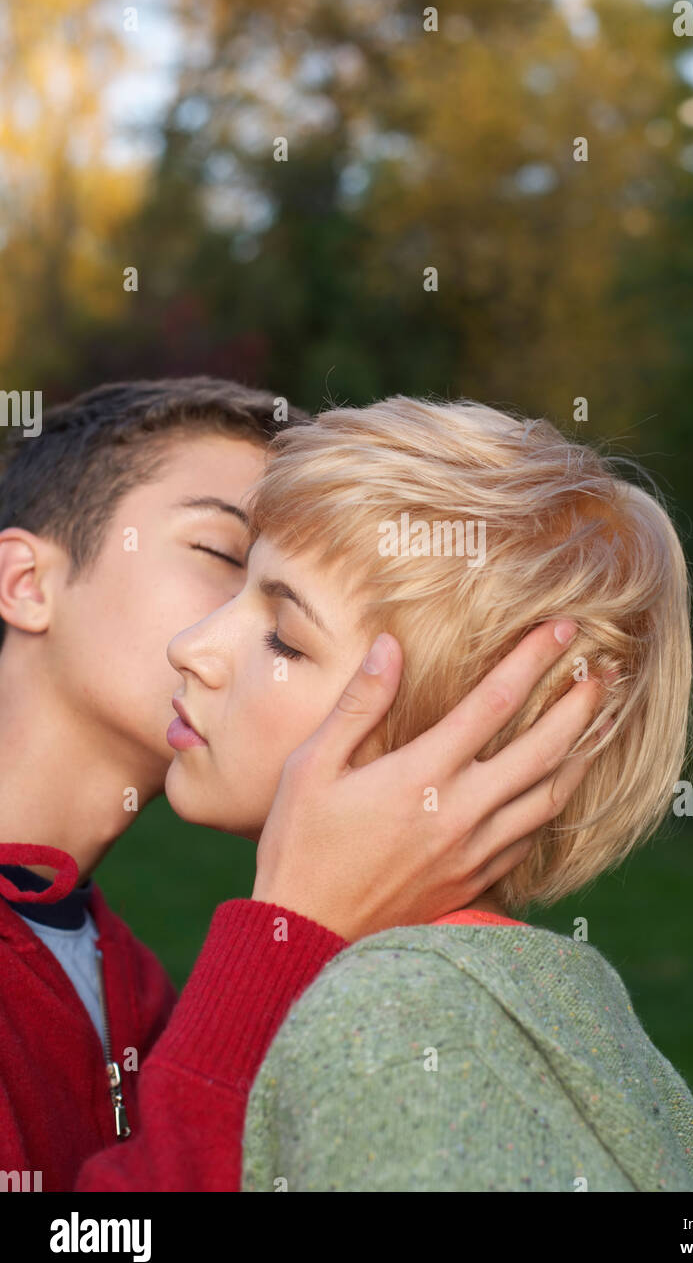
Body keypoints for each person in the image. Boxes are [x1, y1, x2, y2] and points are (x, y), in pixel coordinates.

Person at [0, 378, 600, 1193]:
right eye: (225, 557)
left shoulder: (129, 980)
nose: (216, 635)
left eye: (283, 614)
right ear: (26, 583)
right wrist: (290, 934)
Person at [159, 395, 693, 1192]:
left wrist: (280, 942)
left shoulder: (388, 1031)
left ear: (449, 744)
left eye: (285, 637)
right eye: (237, 588)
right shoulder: (578, 1018)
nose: (189, 647)